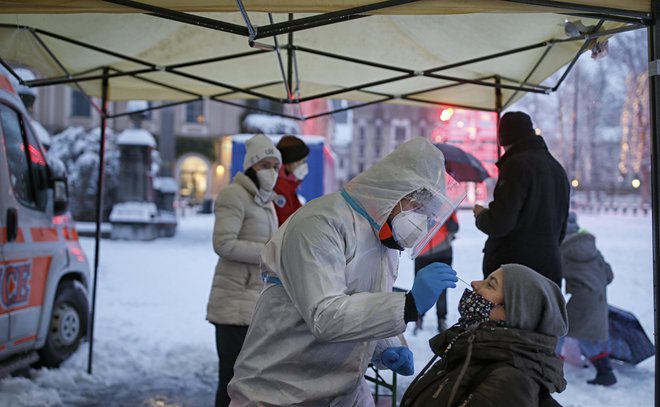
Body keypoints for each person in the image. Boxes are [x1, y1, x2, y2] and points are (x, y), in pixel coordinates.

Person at [227, 137, 460, 406]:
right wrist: (407, 305)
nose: (423, 218)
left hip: (342, 391)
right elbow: (326, 316)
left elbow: (362, 304)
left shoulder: (384, 244)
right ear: (395, 189)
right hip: (277, 391)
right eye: (418, 205)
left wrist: (385, 347)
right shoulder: (321, 223)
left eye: (429, 211)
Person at [401, 263, 568, 407]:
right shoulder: (472, 349)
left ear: (513, 312)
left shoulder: (510, 383)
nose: (474, 283)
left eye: (490, 285)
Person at [206, 134, 282, 407]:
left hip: (255, 304)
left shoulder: (266, 201)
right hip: (232, 304)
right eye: (266, 165)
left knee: (249, 382)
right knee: (231, 380)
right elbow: (223, 244)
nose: (272, 171)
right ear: (252, 165)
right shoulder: (233, 195)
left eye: (276, 165)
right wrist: (269, 253)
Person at [473, 111, 570, 286]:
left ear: (503, 138)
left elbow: (501, 223)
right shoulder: (557, 169)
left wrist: (481, 215)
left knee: (513, 315)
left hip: (515, 276)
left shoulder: (516, 166)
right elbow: (560, 228)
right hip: (548, 271)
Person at [560, 211, 616, 386]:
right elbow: (608, 274)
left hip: (582, 296)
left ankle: (548, 368)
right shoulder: (589, 243)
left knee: (559, 329)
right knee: (583, 333)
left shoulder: (559, 245)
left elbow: (554, 275)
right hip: (598, 296)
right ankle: (605, 372)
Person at [413, 211, 459, 334]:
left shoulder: (446, 207)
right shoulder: (415, 209)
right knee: (420, 287)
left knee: (442, 288)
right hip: (422, 252)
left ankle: (441, 319)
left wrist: (443, 219)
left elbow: (455, 227)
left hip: (443, 252)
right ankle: (418, 317)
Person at [273, 135, 310, 225]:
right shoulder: (280, 188)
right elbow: (286, 224)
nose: (304, 165)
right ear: (288, 163)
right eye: (301, 161)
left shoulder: (289, 186)